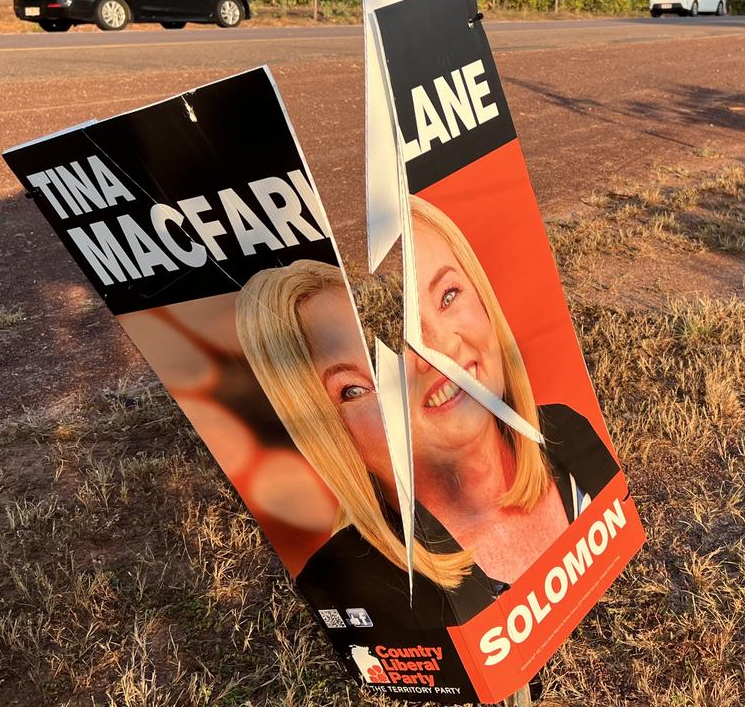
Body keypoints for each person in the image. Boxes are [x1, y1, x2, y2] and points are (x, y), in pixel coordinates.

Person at [235, 195, 618, 625]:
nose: (433, 356)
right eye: (357, 388)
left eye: (448, 295)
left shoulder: (567, 433)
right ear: (327, 436)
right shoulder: (355, 584)